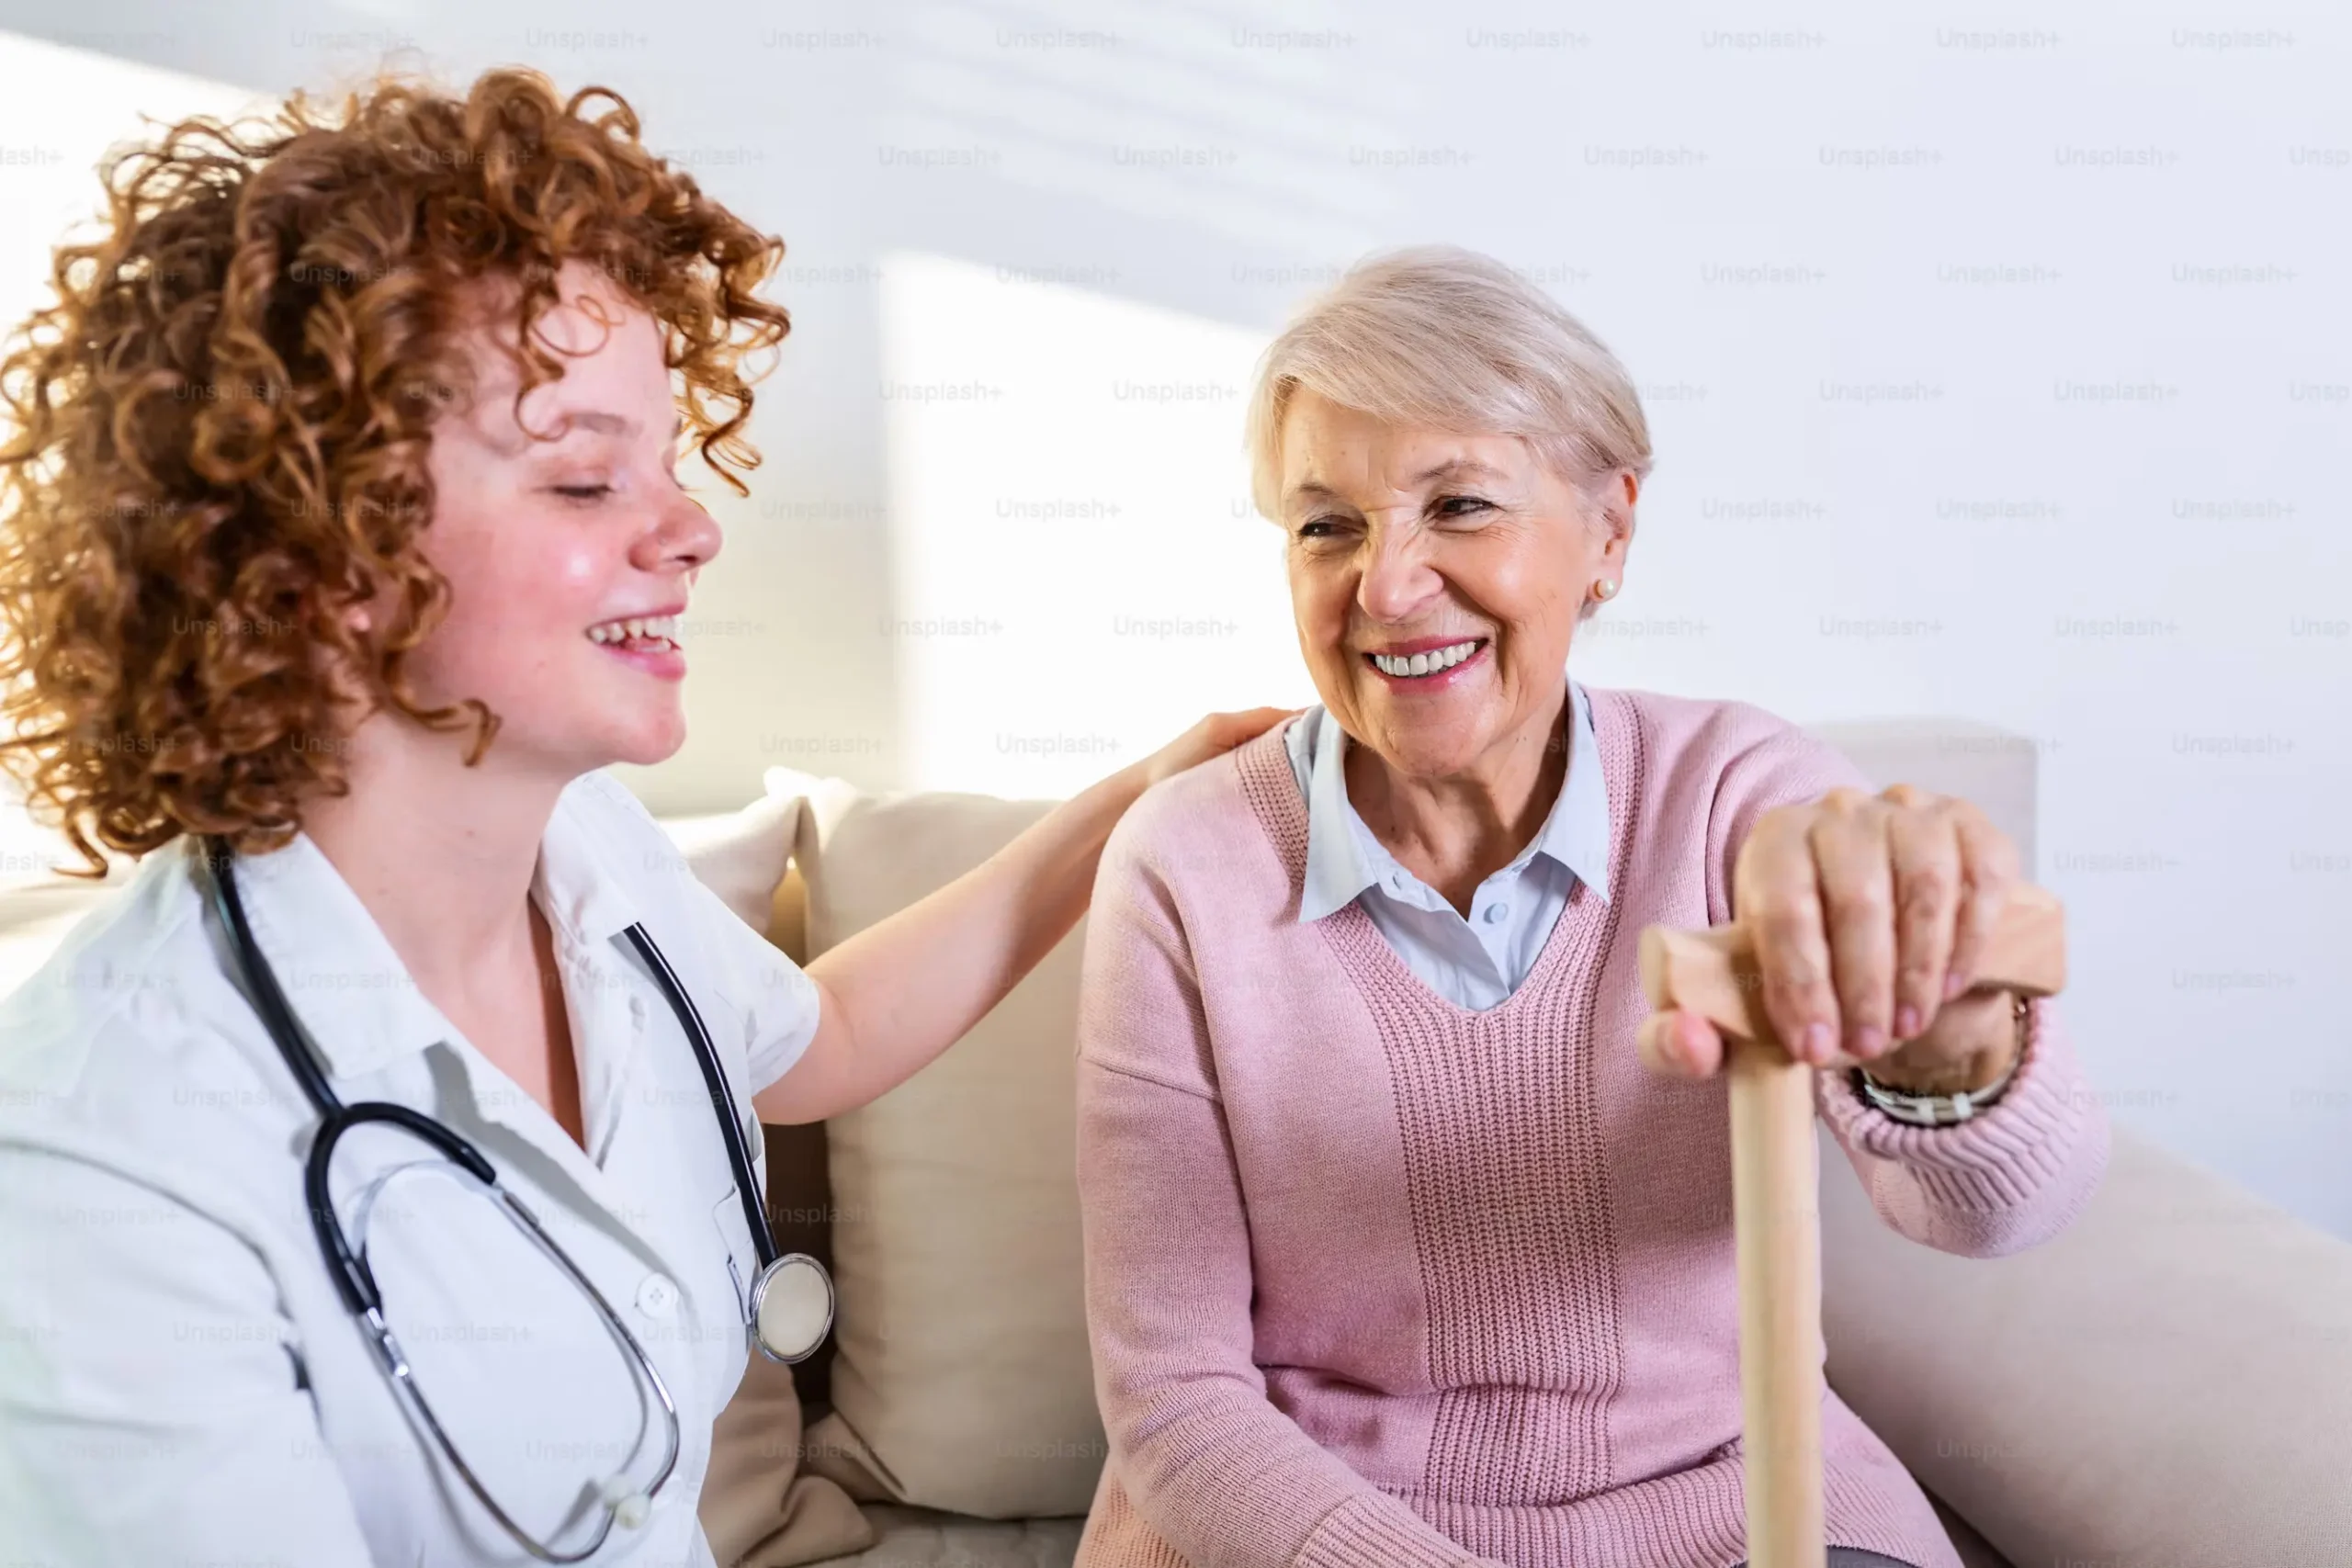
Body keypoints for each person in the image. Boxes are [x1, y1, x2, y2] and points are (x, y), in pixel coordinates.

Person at [0, 68, 1282, 1566]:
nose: (690, 529)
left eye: (667, 463)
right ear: (315, 557)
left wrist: (1137, 794)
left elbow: (816, 1041)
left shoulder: (578, 844)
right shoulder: (106, 1161)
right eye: (585, 477)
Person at [1070, 246, 2111, 1568]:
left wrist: (1945, 1042)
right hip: (1313, 1526)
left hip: (1729, 1497)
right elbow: (1177, 1402)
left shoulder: (1745, 796)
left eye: (1458, 505)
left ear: (1610, 531)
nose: (1387, 586)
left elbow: (2004, 1211)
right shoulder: (1186, 864)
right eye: (1326, 523)